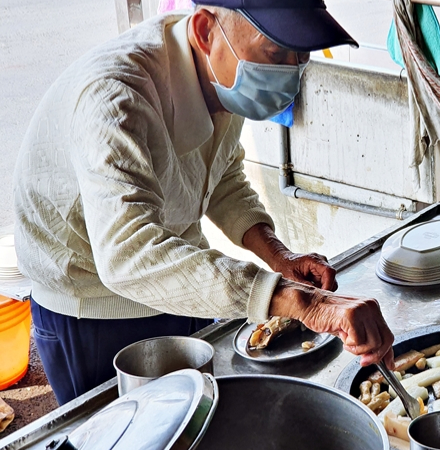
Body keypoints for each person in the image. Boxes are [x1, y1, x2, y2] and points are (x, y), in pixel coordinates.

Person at [13, 0, 394, 405]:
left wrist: (278, 256)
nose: (290, 71)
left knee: (199, 414)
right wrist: (300, 300)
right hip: (95, 308)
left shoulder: (222, 74)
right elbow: (129, 255)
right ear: (205, 32)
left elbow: (221, 177)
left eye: (301, 55)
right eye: (274, 52)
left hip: (179, 275)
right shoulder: (116, 98)